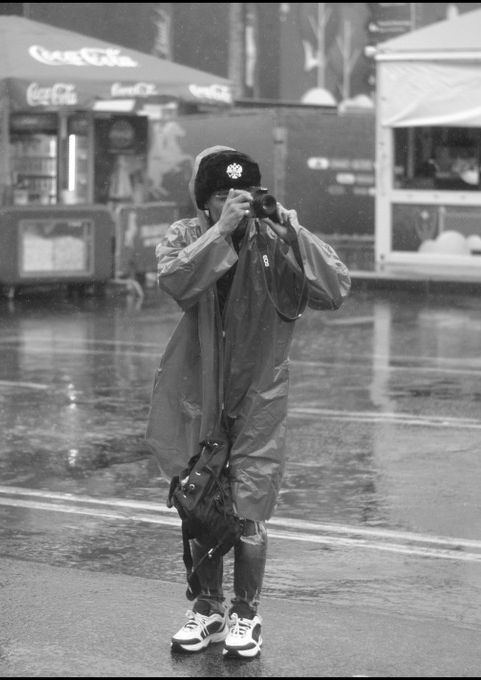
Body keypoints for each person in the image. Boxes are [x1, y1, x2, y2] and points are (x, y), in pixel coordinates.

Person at [145, 147, 351, 659]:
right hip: (198, 387)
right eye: (221, 195)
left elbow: (334, 289)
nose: (234, 202)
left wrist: (293, 230)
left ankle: (245, 613)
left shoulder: (274, 237)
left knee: (249, 500)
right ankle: (207, 608)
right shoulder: (188, 235)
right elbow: (176, 282)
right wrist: (220, 232)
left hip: (260, 388)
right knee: (199, 497)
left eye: (242, 193)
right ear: (204, 201)